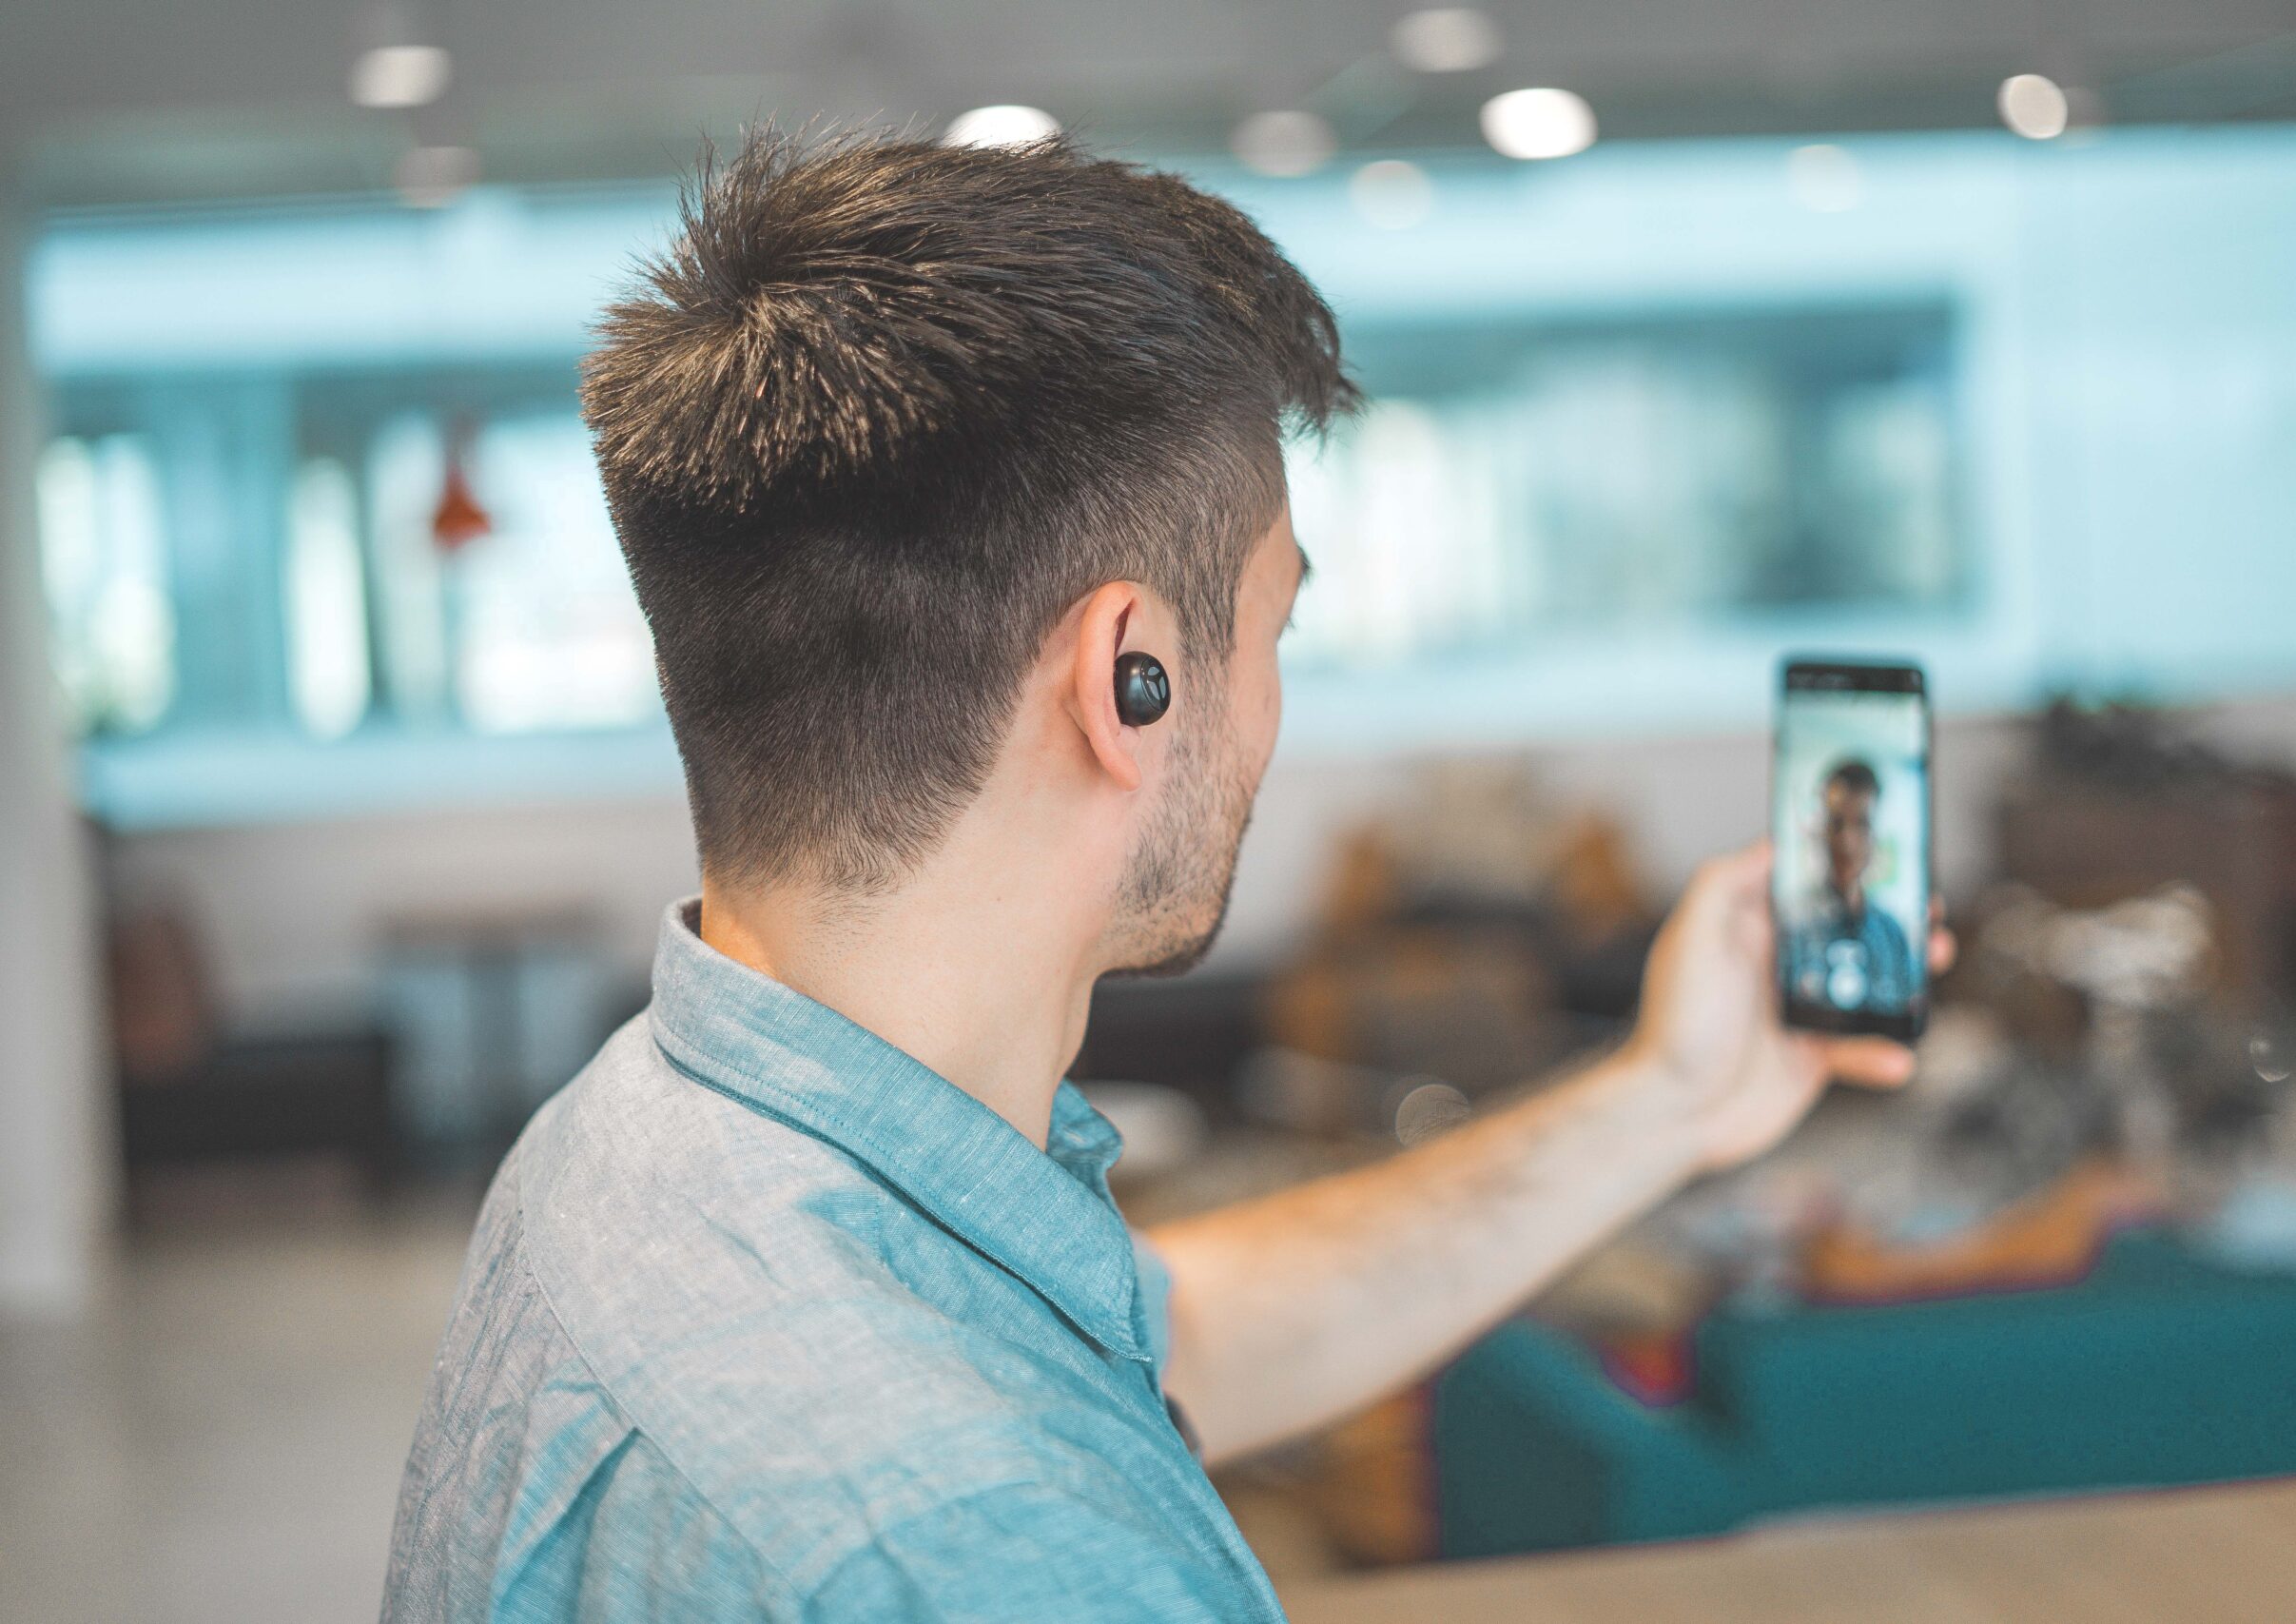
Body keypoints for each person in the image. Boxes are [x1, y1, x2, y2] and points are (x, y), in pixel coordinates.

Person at [381, 129, 1943, 1624]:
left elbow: (1151, 1340)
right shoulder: (997, 1549)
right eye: (1275, 624)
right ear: (1129, 674)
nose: (1272, 701)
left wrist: (1671, 1092)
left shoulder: (644, 1143)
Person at [1780, 758, 1920, 1014]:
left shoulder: (1892, 934)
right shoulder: (1791, 926)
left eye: (1862, 824)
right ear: (1821, 831)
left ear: (1876, 835)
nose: (1847, 842)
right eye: (1837, 824)